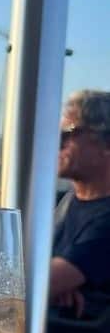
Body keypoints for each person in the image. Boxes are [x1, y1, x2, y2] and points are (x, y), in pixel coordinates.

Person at [51, 89, 110, 317]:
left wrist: (52, 283)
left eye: (68, 134)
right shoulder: (59, 202)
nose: (57, 144)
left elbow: (34, 285)